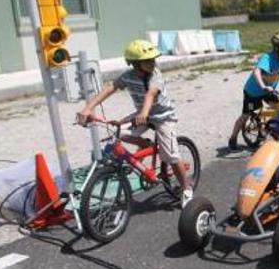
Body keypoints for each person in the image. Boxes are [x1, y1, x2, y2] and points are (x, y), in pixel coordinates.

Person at [76, 40, 192, 207]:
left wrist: (144, 113)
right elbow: (110, 88)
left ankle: (186, 189)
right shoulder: (128, 76)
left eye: (153, 59)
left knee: (171, 155)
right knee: (118, 133)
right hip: (141, 115)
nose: (153, 63)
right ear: (136, 64)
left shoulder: (155, 75)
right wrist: (88, 108)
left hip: (162, 117)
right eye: (148, 60)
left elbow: (150, 95)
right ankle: (146, 145)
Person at [228, 31, 279, 151]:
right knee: (246, 115)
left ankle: (269, 128)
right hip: (253, 92)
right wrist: (263, 86)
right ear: (277, 48)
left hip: (268, 91)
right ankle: (233, 138)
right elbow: (257, 72)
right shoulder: (267, 58)